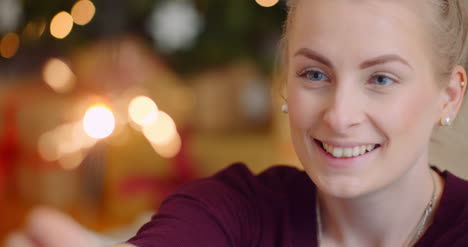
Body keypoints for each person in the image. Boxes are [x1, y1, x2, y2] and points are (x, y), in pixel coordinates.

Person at [6, 0, 468, 246]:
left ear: (449, 95)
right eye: (314, 74)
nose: (340, 115)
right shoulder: (234, 207)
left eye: (381, 78)